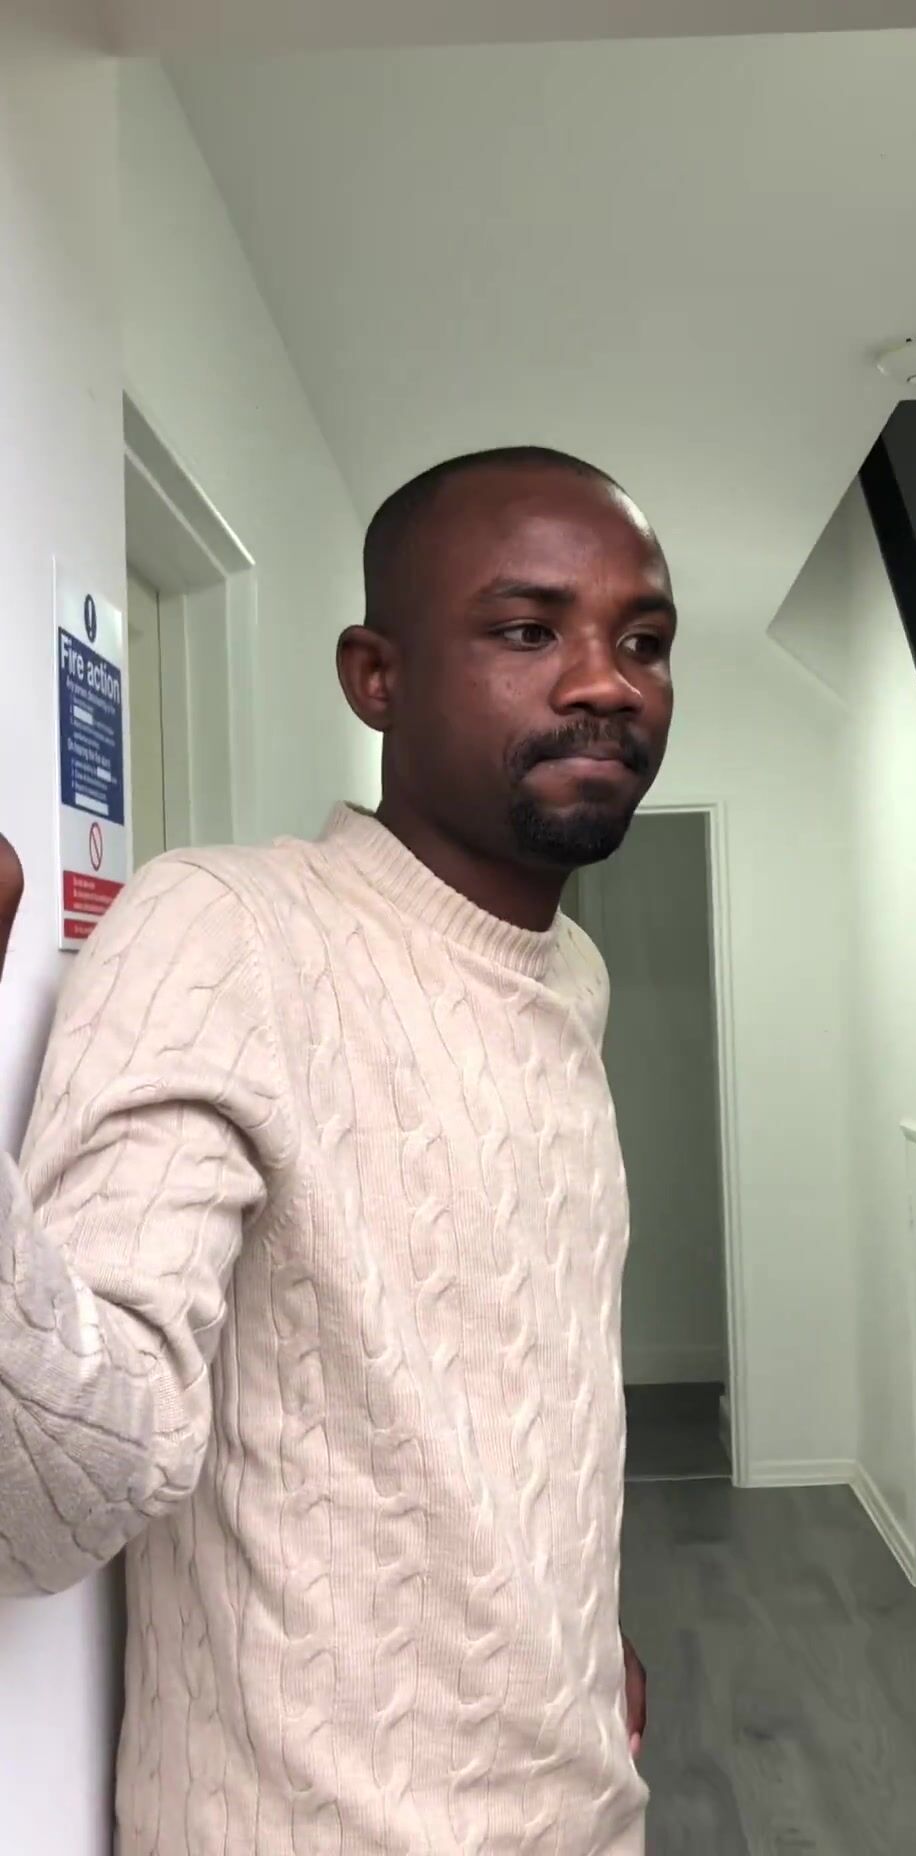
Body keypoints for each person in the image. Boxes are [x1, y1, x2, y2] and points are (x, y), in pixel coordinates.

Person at [0, 446, 675, 1855]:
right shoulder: (225, 931)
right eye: (528, 630)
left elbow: (498, 1398)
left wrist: (570, 1640)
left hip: (587, 1814)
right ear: (377, 677)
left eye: (644, 640)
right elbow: (54, 1496)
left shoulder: (572, 978)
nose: (607, 682)